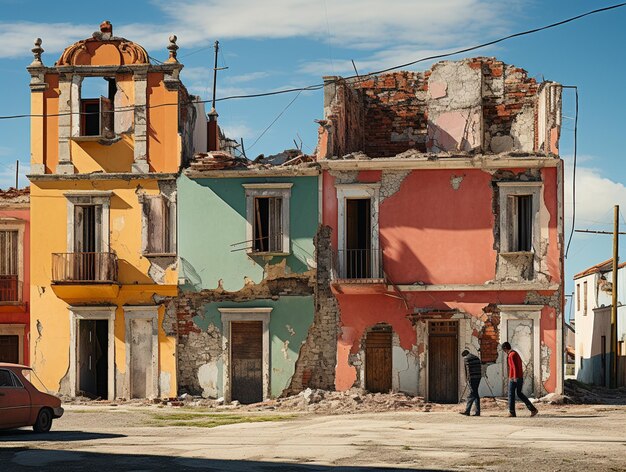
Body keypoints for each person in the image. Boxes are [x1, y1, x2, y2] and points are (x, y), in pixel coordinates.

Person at [502, 342, 538, 417]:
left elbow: (514, 367)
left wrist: (514, 377)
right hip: (519, 377)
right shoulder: (515, 353)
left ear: (505, 349)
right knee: (519, 394)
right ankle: (533, 409)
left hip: (514, 377)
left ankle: (512, 412)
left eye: (504, 350)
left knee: (511, 394)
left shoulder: (511, 355)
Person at [460, 349, 482, 416]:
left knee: (473, 394)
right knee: (475, 393)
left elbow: (467, 370)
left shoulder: (466, 359)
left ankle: (468, 411)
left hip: (472, 378)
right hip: (478, 377)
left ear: (464, 355)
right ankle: (475, 411)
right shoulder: (477, 358)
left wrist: (467, 380)